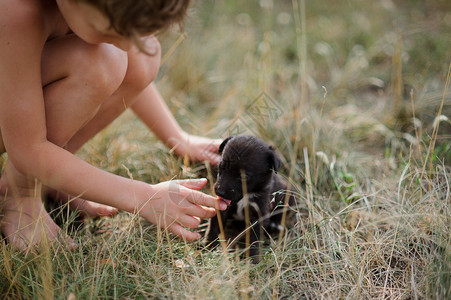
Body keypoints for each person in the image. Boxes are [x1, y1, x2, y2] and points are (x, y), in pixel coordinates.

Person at [0, 0, 229, 250]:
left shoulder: (82, 10)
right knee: (97, 64)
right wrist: (143, 196)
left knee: (141, 55)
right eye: (111, 32)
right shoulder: (15, 11)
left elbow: (134, 64)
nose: (125, 46)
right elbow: (27, 149)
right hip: (18, 132)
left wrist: (176, 137)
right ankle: (19, 197)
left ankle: (53, 176)